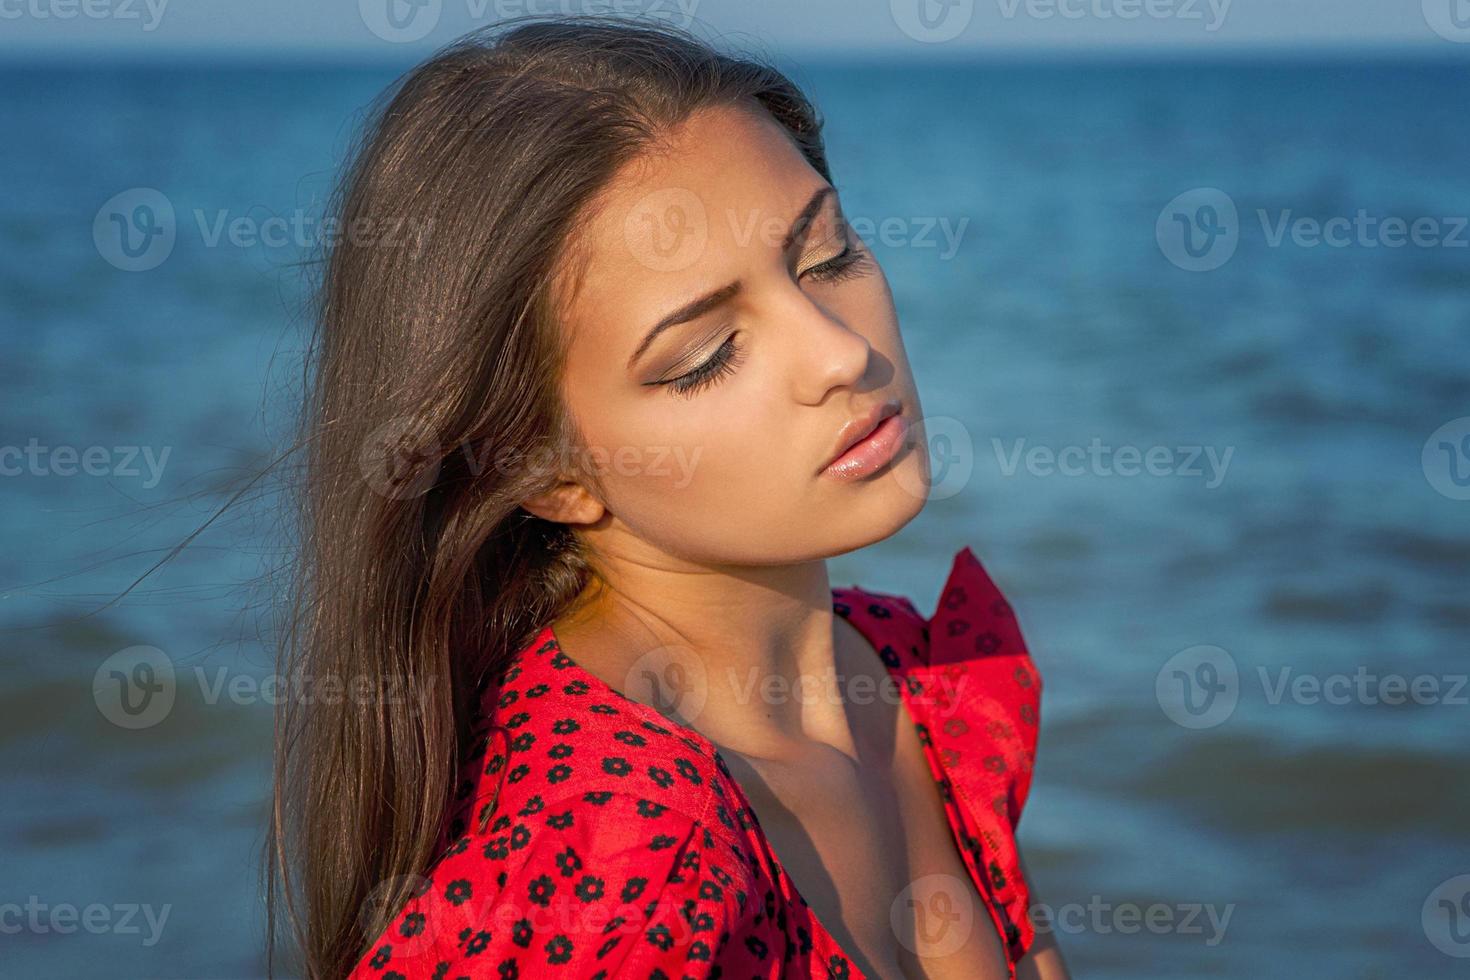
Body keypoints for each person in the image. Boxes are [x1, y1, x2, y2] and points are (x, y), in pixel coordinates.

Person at [269, 15, 1069, 980]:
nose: (842, 352)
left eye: (828, 258)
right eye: (706, 356)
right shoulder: (614, 870)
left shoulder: (915, 682)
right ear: (542, 470)